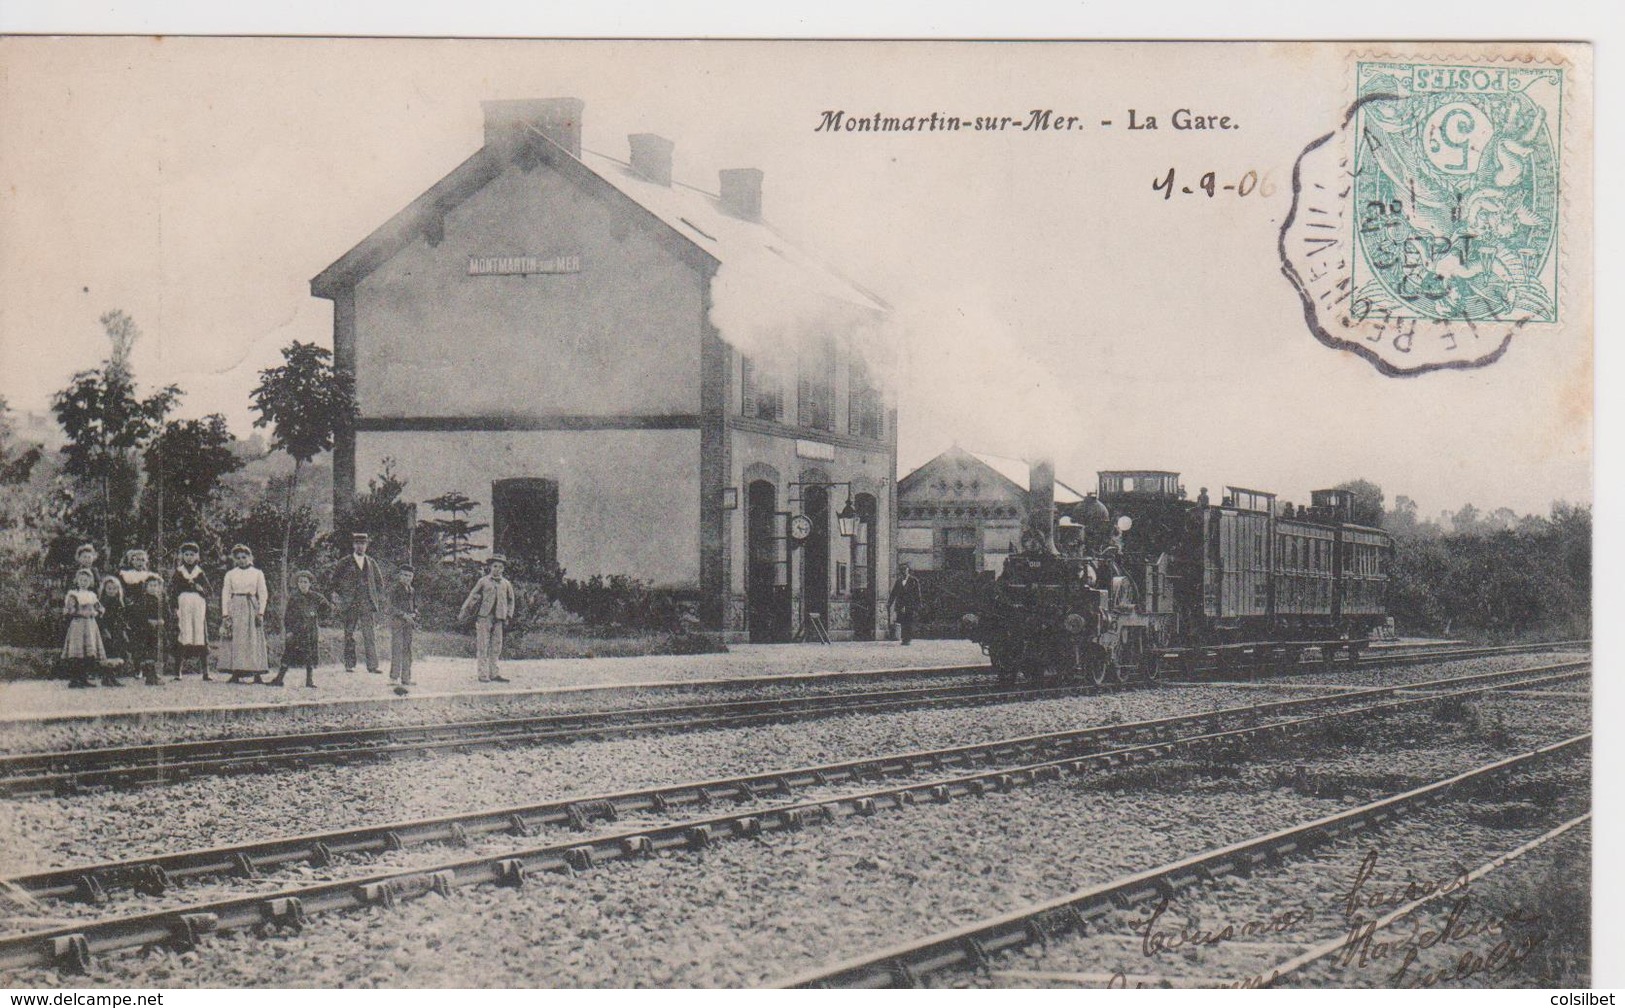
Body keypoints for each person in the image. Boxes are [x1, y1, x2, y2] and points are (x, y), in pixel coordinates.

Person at [329, 532, 384, 674]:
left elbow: (379, 583)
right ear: (354, 545)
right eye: (358, 543)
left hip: (366, 603)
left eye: (363, 543)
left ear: (366, 545)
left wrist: (374, 597)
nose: (360, 546)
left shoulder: (371, 563)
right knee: (349, 634)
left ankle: (372, 665)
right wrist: (342, 596)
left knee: (369, 634)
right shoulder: (344, 562)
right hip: (350, 603)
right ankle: (349, 664)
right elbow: (334, 582)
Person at [458, 555, 515, 684]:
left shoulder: (506, 584)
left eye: (500, 567)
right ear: (490, 567)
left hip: (499, 618)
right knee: (483, 645)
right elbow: (472, 595)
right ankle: (483, 674)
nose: (497, 569)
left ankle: (494, 673)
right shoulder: (483, 581)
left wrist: (508, 615)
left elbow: (511, 601)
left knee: (496, 646)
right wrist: (464, 610)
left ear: (503, 569)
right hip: (484, 617)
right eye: (495, 566)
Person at [219, 544, 269, 684]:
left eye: (244, 557)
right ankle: (236, 672)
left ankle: (257, 673)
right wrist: (225, 613)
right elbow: (225, 593)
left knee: (253, 639)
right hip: (235, 606)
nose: (241, 560)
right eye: (238, 558)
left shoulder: (257, 573)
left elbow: (263, 593)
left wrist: (261, 612)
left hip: (251, 606)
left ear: (250, 557)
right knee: (237, 640)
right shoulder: (230, 574)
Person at [274, 570, 326, 688]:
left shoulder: (315, 597)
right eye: (300, 582)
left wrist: (317, 614)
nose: (303, 584)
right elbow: (288, 616)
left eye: (305, 582)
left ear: (310, 583)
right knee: (288, 653)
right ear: (297, 584)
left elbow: (326, 608)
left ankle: (309, 681)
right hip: (296, 630)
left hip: (310, 630)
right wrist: (289, 631)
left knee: (310, 654)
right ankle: (279, 678)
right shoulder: (294, 598)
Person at [170, 542, 213, 680]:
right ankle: (178, 672)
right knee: (182, 634)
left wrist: (201, 589)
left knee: (200, 635)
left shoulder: (200, 572)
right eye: (186, 554)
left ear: (197, 556)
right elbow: (172, 591)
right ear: (182, 556)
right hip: (183, 606)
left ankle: (206, 672)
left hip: (198, 607)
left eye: (192, 555)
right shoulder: (179, 572)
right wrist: (174, 606)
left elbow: (209, 591)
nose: (189, 557)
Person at [60, 569, 105, 688]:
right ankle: (75, 679)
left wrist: (97, 612)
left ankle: (84, 678)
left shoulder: (92, 595)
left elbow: (99, 608)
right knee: (77, 651)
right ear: (77, 581)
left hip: (90, 625)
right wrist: (79, 612)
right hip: (78, 625)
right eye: (81, 580)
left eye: (86, 580)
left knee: (88, 652)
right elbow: (70, 610)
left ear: (90, 582)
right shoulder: (73, 595)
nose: (83, 582)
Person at [127, 575, 167, 686]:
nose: (153, 588)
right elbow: (138, 614)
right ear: (146, 587)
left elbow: (166, 613)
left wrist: (162, 620)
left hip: (158, 630)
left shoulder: (161, 599)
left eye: (156, 586)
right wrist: (149, 621)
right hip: (145, 631)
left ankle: (155, 674)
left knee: (156, 652)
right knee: (148, 652)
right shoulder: (143, 599)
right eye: (151, 585)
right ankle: (149, 676)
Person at [387, 566, 418, 694]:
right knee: (397, 648)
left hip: (409, 622)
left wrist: (414, 613)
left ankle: (406, 678)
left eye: (409, 576)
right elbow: (390, 607)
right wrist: (403, 615)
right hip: (398, 621)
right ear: (400, 576)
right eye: (404, 575)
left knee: (407, 649)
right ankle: (394, 677)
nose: (407, 578)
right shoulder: (394, 589)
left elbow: (415, 605)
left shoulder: (412, 590)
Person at [96, 575, 130, 687]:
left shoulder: (119, 602)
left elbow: (121, 617)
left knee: (117, 652)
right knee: (108, 652)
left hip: (117, 630)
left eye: (114, 588)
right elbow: (100, 618)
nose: (111, 591)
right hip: (107, 630)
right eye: (109, 588)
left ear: (118, 589)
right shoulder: (102, 602)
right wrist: (104, 629)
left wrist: (123, 629)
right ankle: (106, 677)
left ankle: (113, 677)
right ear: (105, 589)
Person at [887, 563, 923, 646]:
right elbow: (893, 593)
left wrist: (918, 604)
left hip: (910, 605)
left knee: (909, 621)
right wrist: (889, 603)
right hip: (900, 605)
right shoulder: (898, 581)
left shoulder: (914, 581)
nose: (903, 571)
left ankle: (908, 639)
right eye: (901, 570)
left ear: (908, 570)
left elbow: (917, 594)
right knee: (902, 621)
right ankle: (904, 638)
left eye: (905, 569)